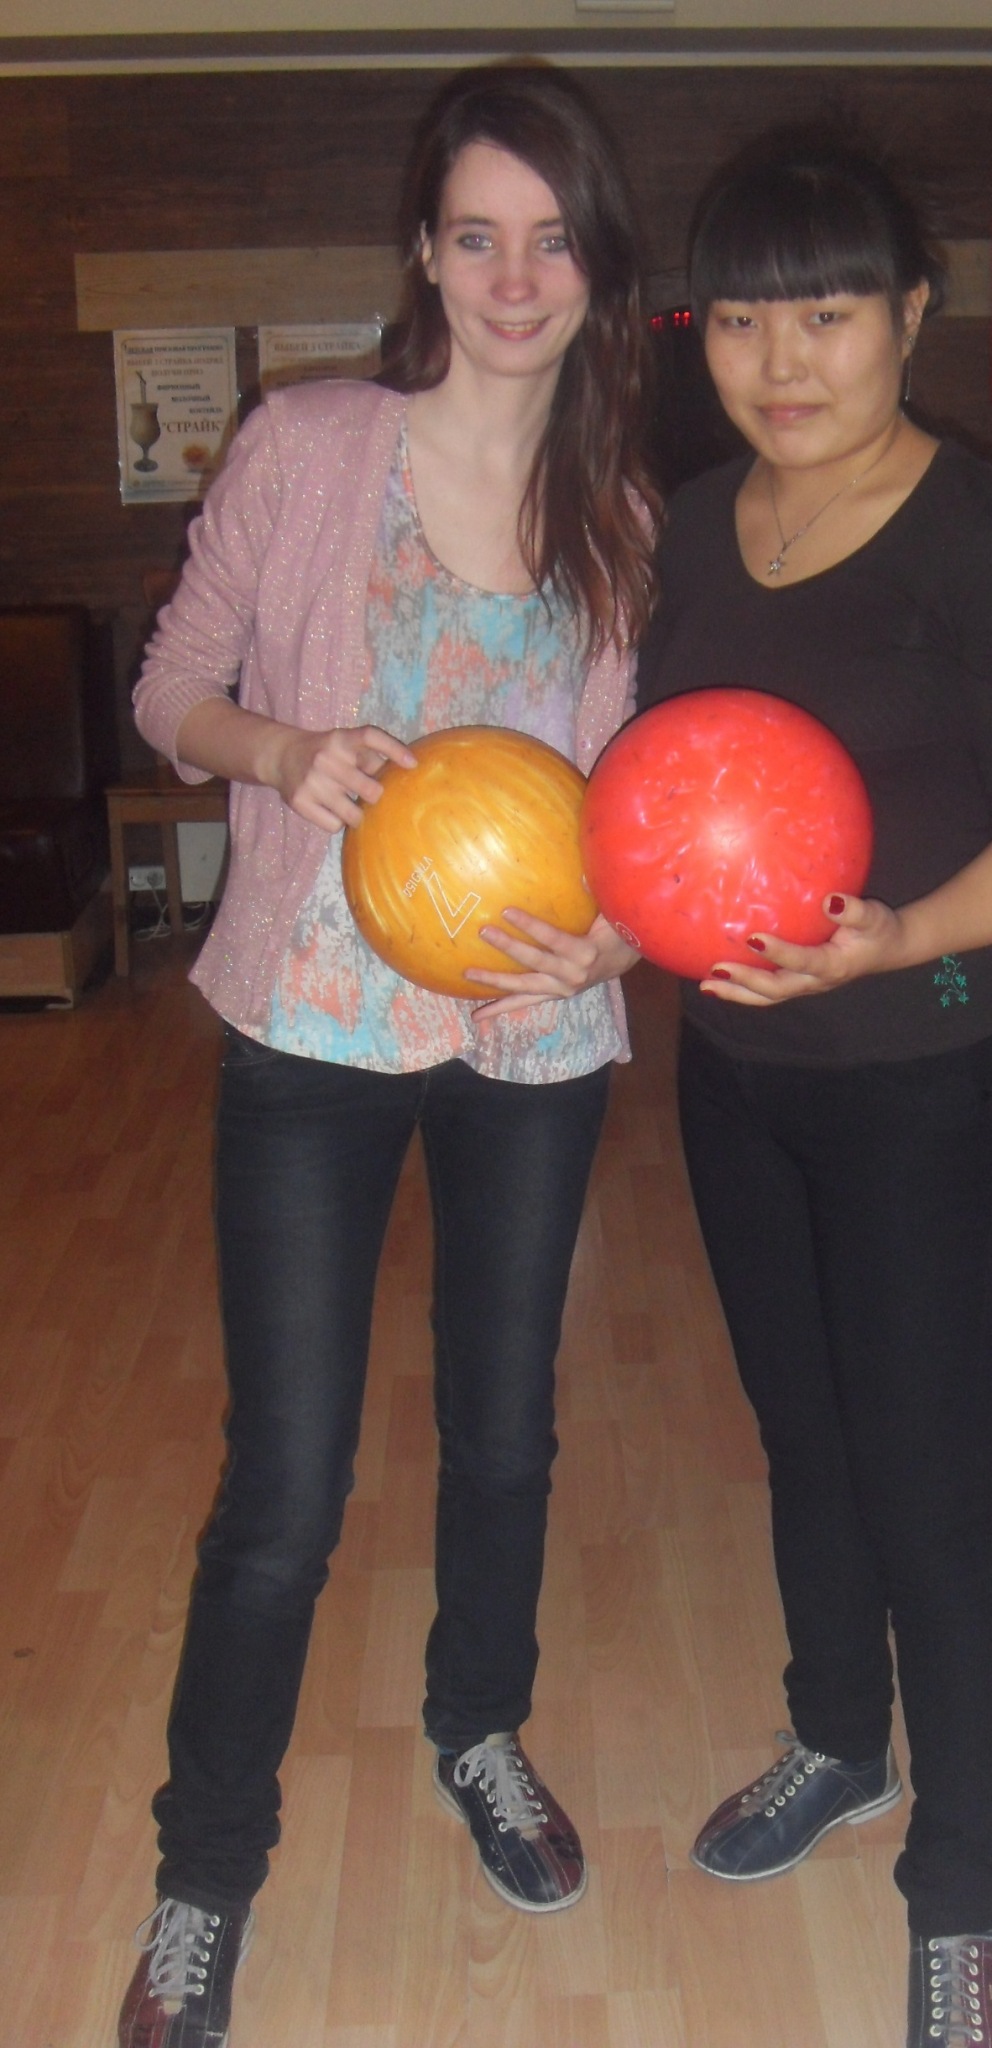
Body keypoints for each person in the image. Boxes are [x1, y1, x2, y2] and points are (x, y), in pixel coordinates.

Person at [118, 61, 655, 2048]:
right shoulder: (308, 443)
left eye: (552, 240)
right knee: (286, 1479)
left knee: (506, 1429)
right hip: (315, 1023)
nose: (514, 278)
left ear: (595, 266)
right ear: (423, 253)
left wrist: (620, 925)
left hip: (533, 1031)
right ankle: (205, 1869)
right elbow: (173, 687)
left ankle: (476, 1725)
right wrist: (285, 751)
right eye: (475, 236)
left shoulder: (614, 502)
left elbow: (626, 791)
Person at [634, 135, 992, 2048]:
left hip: (929, 1071)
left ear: (910, 314)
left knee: (918, 1480)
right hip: (740, 1071)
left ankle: (960, 1892)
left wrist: (892, 936)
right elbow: (663, 790)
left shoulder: (988, 534)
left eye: (825, 312)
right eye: (743, 318)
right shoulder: (691, 524)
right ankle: (838, 1736)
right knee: (802, 1436)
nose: (781, 359)